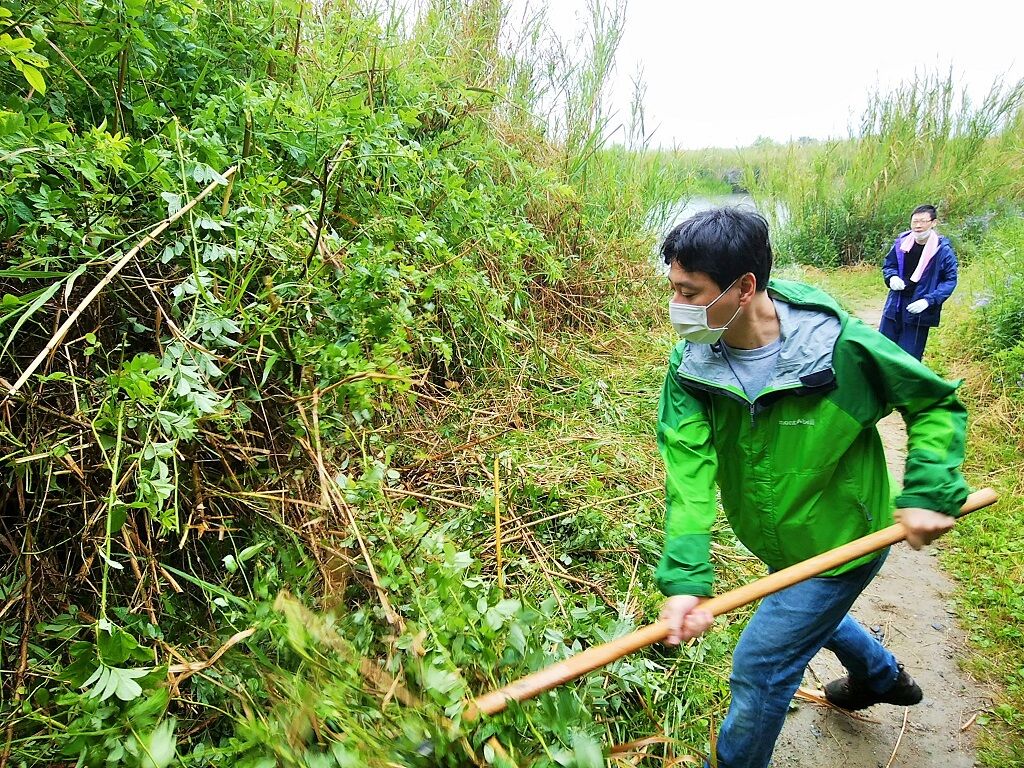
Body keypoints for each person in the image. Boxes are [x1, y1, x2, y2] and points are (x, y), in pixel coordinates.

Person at [654, 207, 969, 768]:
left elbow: (935, 404)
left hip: (844, 540)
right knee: (806, 608)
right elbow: (688, 472)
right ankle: (880, 676)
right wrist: (686, 576)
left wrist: (929, 489)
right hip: (776, 538)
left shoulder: (839, 351)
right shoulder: (693, 366)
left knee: (762, 667)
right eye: (673, 288)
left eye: (690, 292)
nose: (676, 305)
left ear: (744, 287)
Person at [879, 204, 958, 360]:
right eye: (915, 221)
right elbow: (889, 265)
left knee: (909, 357)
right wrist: (892, 277)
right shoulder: (901, 244)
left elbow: (950, 280)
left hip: (920, 310)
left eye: (923, 221)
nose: (918, 225)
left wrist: (928, 301)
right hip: (895, 304)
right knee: (882, 350)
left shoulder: (942, 251)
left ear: (933, 223)